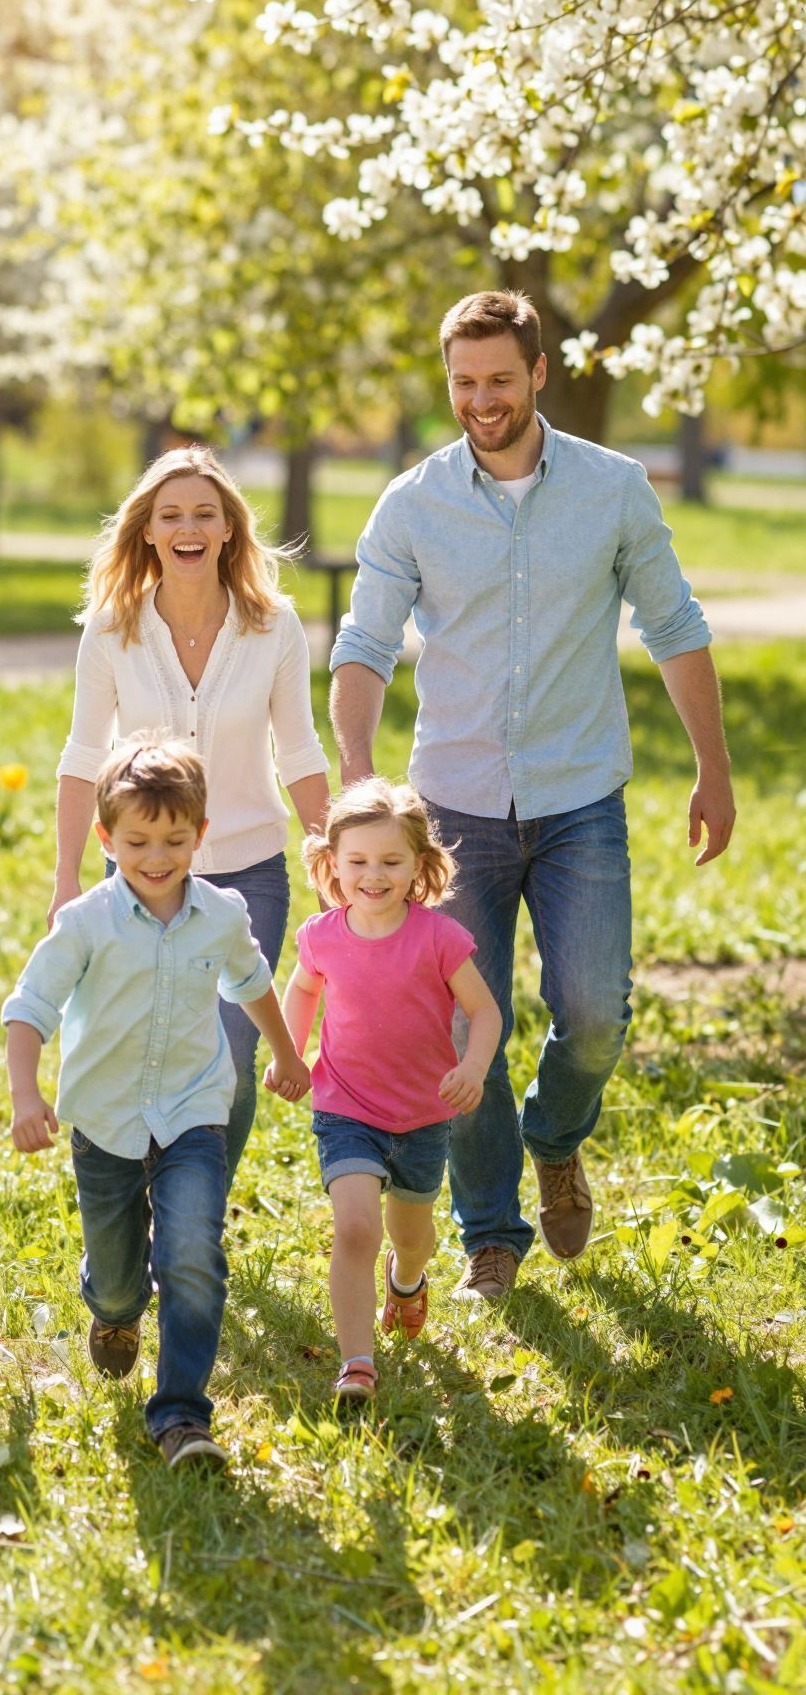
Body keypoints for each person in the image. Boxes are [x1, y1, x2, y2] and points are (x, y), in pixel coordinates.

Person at [330, 289, 735, 1303]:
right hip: (450, 808)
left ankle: (557, 1138)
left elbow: (674, 622)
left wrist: (714, 768)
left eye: (499, 379)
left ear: (539, 373)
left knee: (594, 1010)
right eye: (464, 381)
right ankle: (491, 1229)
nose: (481, 399)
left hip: (579, 795)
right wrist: (356, 773)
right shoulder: (412, 503)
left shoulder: (613, 488)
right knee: (460, 1031)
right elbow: (366, 643)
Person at [4, 738, 310, 1467]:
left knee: (192, 1254)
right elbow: (29, 1006)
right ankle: (113, 1311)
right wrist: (25, 1093)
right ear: (107, 839)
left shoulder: (222, 914)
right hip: (106, 1121)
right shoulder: (84, 921)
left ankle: (181, 1416)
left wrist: (289, 1052)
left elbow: (251, 982)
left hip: (194, 1111)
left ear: (201, 836)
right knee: (117, 1280)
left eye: (175, 839)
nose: (157, 855)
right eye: (137, 840)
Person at [49, 445, 330, 1181]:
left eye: (205, 513)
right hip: (140, 874)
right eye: (171, 514)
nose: (189, 527)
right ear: (147, 530)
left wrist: (333, 851)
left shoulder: (275, 627)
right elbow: (83, 756)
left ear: (229, 529)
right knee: (147, 1043)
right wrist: (65, 878)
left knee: (231, 1053)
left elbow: (299, 751)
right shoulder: (112, 628)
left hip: (249, 873)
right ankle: (144, 1199)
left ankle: (195, 1208)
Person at [281, 780, 501, 1401]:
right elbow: (301, 992)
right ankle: (357, 1362)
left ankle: (406, 1279)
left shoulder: (438, 938)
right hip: (345, 1107)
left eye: (390, 861)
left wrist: (475, 1067)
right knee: (355, 1227)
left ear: (418, 867)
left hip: (424, 1114)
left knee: (412, 1234)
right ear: (332, 864)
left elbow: (485, 1013)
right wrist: (291, 1053)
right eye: (357, 862)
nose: (372, 875)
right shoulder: (322, 936)